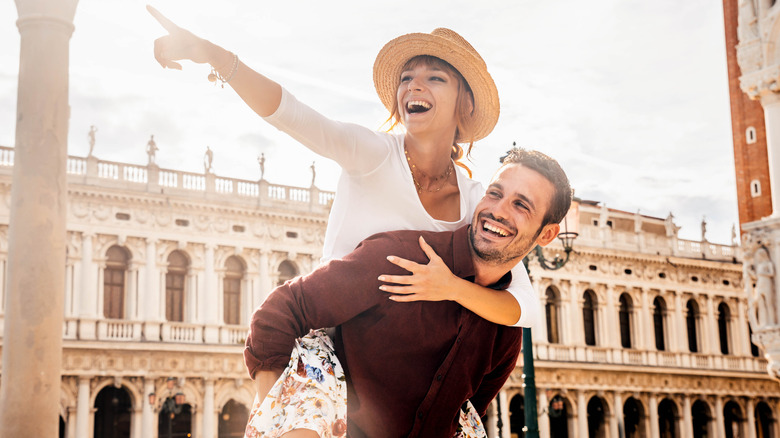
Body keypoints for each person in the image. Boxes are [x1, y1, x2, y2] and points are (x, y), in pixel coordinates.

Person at [147, 7, 537, 329]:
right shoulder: (373, 153)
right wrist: (214, 55)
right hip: (333, 349)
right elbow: (293, 115)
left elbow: (525, 306)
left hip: (408, 374)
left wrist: (450, 287)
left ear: (464, 104)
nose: (414, 87)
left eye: (434, 78)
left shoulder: (475, 202)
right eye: (406, 78)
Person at [244, 148, 573, 437]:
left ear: (547, 234)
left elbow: (468, 414)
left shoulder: (505, 332)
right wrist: (277, 412)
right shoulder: (401, 258)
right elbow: (278, 314)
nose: (498, 211)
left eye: (521, 205)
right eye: (494, 193)